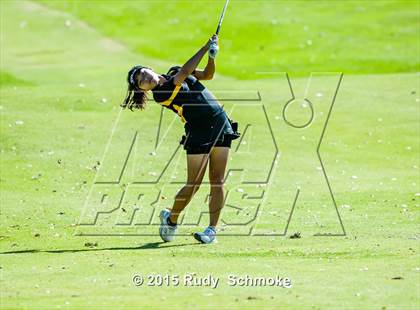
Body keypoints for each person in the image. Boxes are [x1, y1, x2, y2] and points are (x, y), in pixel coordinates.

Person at [121, 34, 240, 244]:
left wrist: (212, 56)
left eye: (143, 73)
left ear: (148, 67)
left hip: (220, 121)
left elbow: (207, 76)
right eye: (141, 82)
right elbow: (186, 72)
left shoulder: (174, 71)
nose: (145, 79)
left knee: (218, 180)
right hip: (198, 131)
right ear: (143, 90)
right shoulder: (162, 94)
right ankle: (172, 217)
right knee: (194, 183)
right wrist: (205, 46)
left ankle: (212, 230)